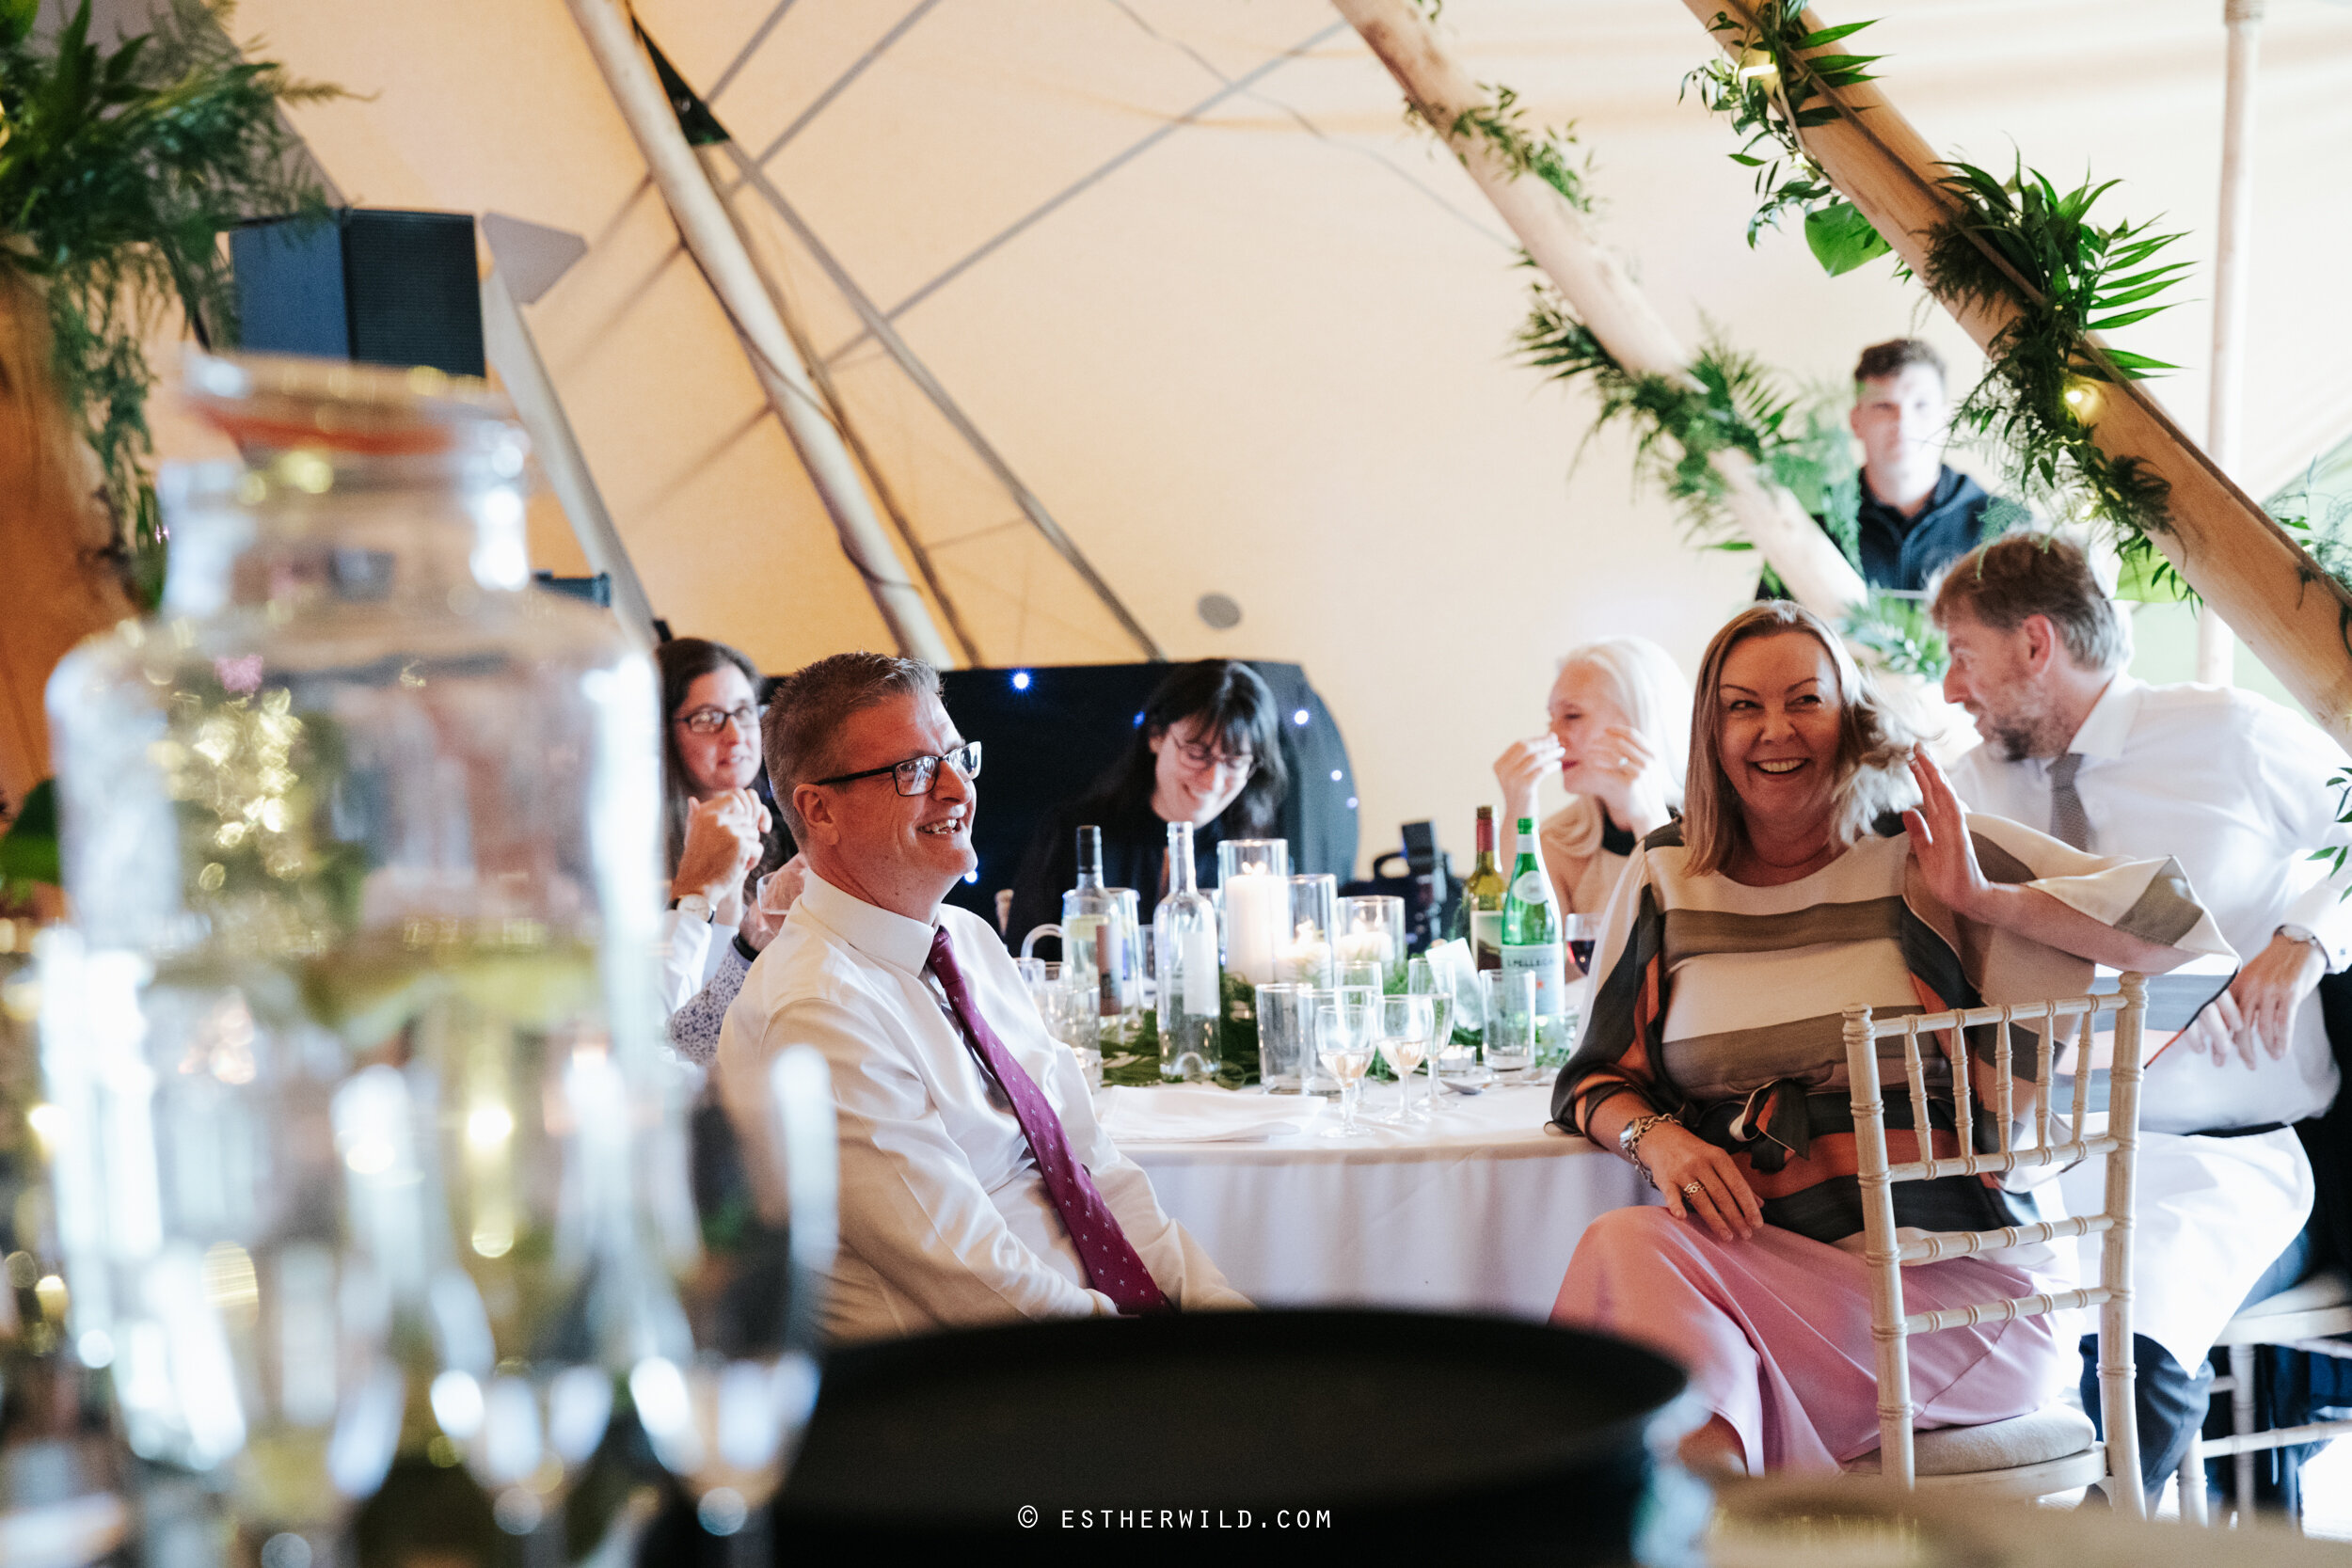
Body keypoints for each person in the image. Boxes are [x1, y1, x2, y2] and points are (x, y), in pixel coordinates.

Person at [1549, 601, 2230, 1477]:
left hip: (1954, 1306)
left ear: (1851, 717)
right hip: (1755, 1279)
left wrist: (1988, 900)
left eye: (1805, 699)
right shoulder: (1665, 875)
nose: (1774, 730)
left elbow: (2180, 931)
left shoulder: (1919, 849)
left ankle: (1698, 1518)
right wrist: (1662, 1139)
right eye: (1742, 706)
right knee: (1639, 1268)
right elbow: (1592, 1080)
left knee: (1661, 1352)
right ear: (1710, 731)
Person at [1930, 533, 2352, 1503]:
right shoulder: (1971, 788)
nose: (1953, 689)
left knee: (2132, 1332)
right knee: (1962, 1335)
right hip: (2045, 1157)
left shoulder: (2227, 735)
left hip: (2222, 1155)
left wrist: (2306, 936)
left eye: (1962, 654)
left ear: (2035, 642)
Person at [715, 652, 1248, 1341]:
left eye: (958, 758)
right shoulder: (815, 1009)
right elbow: (977, 1282)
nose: (956, 789)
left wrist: (1218, 1310)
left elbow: (1095, 1166)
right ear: (820, 810)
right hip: (973, 1397)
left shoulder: (967, 939)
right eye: (912, 770)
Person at [1006, 659, 1287, 948]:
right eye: (1196, 753)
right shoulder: (1072, 834)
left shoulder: (1253, 863)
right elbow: (1026, 964)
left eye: (1235, 761)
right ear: (1156, 736)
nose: (1213, 781)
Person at [1492, 636, 1691, 920]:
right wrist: (1518, 811)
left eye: (1572, 716)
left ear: (1638, 722)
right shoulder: (1559, 842)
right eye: (1552, 718)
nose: (1553, 736)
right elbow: (1524, 946)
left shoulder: (1716, 836)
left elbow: (1686, 940)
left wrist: (1647, 818)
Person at [1806, 339, 2006, 594]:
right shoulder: (1814, 522)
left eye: (1921, 405)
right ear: (1856, 421)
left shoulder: (2003, 528)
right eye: (1884, 407)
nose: (1903, 422)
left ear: (1946, 421)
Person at [658, 638, 788, 1019]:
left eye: (745, 712)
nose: (735, 735)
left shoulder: (793, 841)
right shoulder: (632, 853)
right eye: (707, 718)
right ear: (662, 733)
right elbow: (672, 1023)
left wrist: (731, 899)